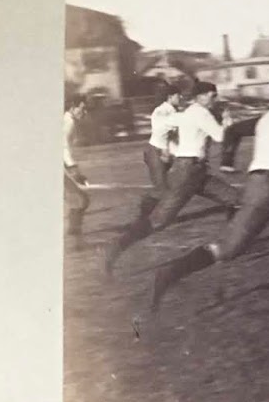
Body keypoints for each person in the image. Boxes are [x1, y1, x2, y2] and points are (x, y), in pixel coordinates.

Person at [147, 78, 269, 314]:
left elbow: (234, 131)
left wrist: (227, 162)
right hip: (266, 190)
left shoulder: (268, 117)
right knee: (227, 249)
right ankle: (169, 273)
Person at [102, 81, 239, 276]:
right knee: (159, 221)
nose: (214, 99)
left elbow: (164, 125)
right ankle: (115, 247)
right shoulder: (200, 112)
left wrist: (165, 147)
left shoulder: (189, 111)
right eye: (212, 95)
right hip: (187, 172)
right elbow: (219, 136)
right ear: (201, 96)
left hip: (196, 170)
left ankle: (232, 242)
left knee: (234, 198)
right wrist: (227, 120)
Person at [63, 94, 91, 247]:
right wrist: (73, 168)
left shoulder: (68, 120)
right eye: (82, 108)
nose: (84, 112)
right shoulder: (69, 122)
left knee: (79, 200)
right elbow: (62, 146)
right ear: (73, 108)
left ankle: (74, 233)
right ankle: (76, 239)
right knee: (80, 200)